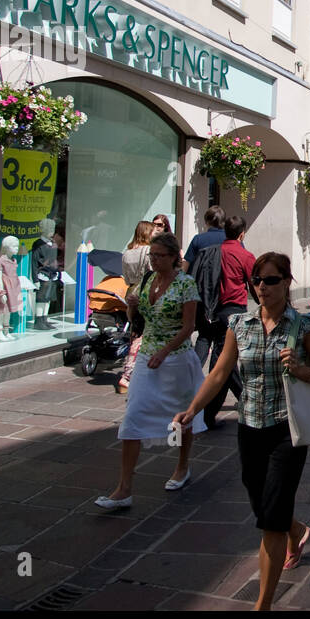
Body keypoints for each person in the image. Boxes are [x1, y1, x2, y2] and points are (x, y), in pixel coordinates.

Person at [174, 253, 310, 610]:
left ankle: (262, 604)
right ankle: (296, 530)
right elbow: (218, 373)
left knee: (270, 522)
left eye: (271, 280)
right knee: (263, 504)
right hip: (249, 426)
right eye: (257, 281)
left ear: (287, 282)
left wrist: (300, 369)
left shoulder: (304, 325)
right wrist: (192, 409)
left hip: (286, 430)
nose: (262, 287)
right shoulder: (239, 325)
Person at [97, 233, 205, 510]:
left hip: (177, 360)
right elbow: (139, 321)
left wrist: (165, 351)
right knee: (132, 416)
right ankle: (124, 488)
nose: (154, 260)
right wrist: (132, 309)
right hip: (147, 356)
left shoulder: (185, 284)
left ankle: (182, 466)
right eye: (152, 255)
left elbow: (188, 327)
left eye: (159, 256)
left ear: (173, 257)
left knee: (182, 417)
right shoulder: (146, 280)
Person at [195, 215, 255, 428]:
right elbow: (255, 284)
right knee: (224, 364)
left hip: (212, 310)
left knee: (224, 362)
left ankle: (212, 413)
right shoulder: (244, 255)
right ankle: (241, 404)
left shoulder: (213, 252)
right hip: (234, 312)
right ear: (242, 234)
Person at [117, 220, 156, 393]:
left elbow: (125, 278)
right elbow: (151, 272)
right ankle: (129, 373)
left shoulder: (127, 253)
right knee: (143, 333)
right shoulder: (147, 251)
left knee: (135, 330)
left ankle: (135, 371)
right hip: (144, 291)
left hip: (130, 290)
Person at [183, 206, 226, 271]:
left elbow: (186, 265)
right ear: (223, 222)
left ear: (207, 222)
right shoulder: (233, 240)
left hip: (202, 280)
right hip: (225, 280)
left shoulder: (198, 239)